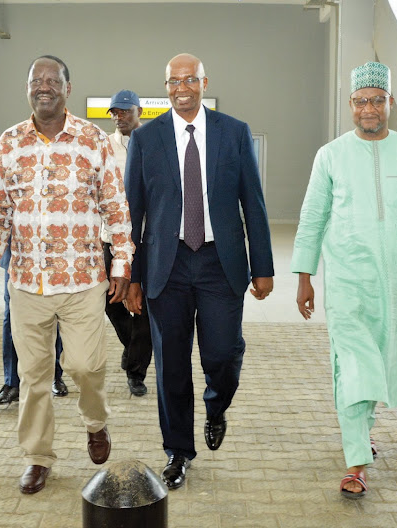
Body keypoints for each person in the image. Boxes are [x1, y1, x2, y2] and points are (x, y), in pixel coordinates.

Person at [291, 61, 397, 499]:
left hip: (393, 281)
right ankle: (356, 462)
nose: (369, 108)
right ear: (351, 105)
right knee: (354, 365)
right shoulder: (330, 155)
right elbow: (312, 218)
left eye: (377, 100)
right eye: (362, 101)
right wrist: (305, 276)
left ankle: (362, 431)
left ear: (390, 103)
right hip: (346, 278)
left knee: (378, 362)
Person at [0, 55, 134, 495]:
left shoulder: (91, 140)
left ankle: (95, 421)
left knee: (86, 365)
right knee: (34, 375)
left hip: (83, 278)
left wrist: (121, 264)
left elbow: (115, 205)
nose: (43, 86)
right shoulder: (9, 142)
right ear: (28, 88)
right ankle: (36, 456)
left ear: (68, 88)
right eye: (36, 80)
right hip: (27, 281)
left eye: (52, 80)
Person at [124, 53, 274, 490]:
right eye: (174, 81)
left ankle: (216, 405)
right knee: (170, 362)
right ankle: (177, 451)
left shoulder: (234, 133)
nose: (182, 88)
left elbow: (255, 203)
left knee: (222, 354)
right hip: (163, 265)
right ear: (165, 86)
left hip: (219, 261)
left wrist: (262, 265)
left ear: (205, 82)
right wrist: (131, 275)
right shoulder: (146, 138)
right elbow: (132, 213)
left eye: (190, 80)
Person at [104, 89, 152, 397]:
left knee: (146, 308)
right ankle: (133, 349)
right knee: (111, 302)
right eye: (115, 113)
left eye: (125, 111)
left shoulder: (155, 143)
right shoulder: (104, 147)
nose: (120, 117)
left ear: (139, 112)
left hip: (148, 239)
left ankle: (136, 372)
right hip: (109, 238)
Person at [0, 239, 68, 405]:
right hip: (18, 258)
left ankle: (55, 375)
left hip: (55, 255)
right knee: (12, 317)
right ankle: (12, 383)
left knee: (54, 314)